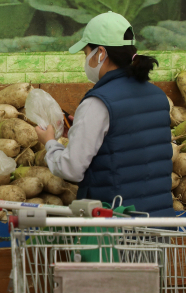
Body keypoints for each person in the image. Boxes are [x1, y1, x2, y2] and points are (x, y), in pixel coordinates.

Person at [35, 12, 173, 217]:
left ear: (100, 53)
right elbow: (131, 147)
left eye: (86, 53)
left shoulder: (98, 103)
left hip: (114, 230)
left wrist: (49, 143)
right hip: (157, 227)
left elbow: (71, 168)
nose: (86, 60)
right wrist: (82, 129)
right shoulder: (158, 96)